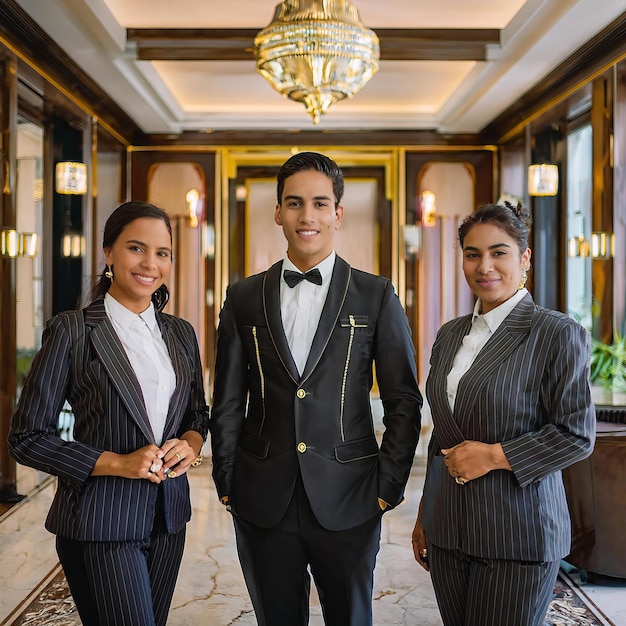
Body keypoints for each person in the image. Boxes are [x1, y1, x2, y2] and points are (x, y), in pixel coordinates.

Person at [210, 151, 422, 626]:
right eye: (295, 203)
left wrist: (388, 486)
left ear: (338, 214)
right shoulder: (242, 297)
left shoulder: (376, 294)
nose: (308, 216)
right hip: (263, 498)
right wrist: (228, 482)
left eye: (320, 204)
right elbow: (226, 399)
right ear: (278, 212)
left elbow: (403, 400)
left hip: (352, 497)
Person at [9, 201, 209, 626]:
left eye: (162, 253)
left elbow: (197, 412)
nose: (150, 263)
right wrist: (116, 462)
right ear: (109, 253)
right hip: (102, 519)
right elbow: (26, 437)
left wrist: (189, 446)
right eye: (136, 248)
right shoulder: (73, 330)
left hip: (169, 517)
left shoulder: (180, 333)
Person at [411, 201, 596, 626]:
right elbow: (444, 435)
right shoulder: (449, 335)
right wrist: (426, 514)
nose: (484, 266)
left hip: (517, 532)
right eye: (472, 254)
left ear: (524, 258)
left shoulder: (557, 333)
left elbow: (576, 435)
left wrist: (495, 455)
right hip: (447, 529)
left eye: (499, 252)